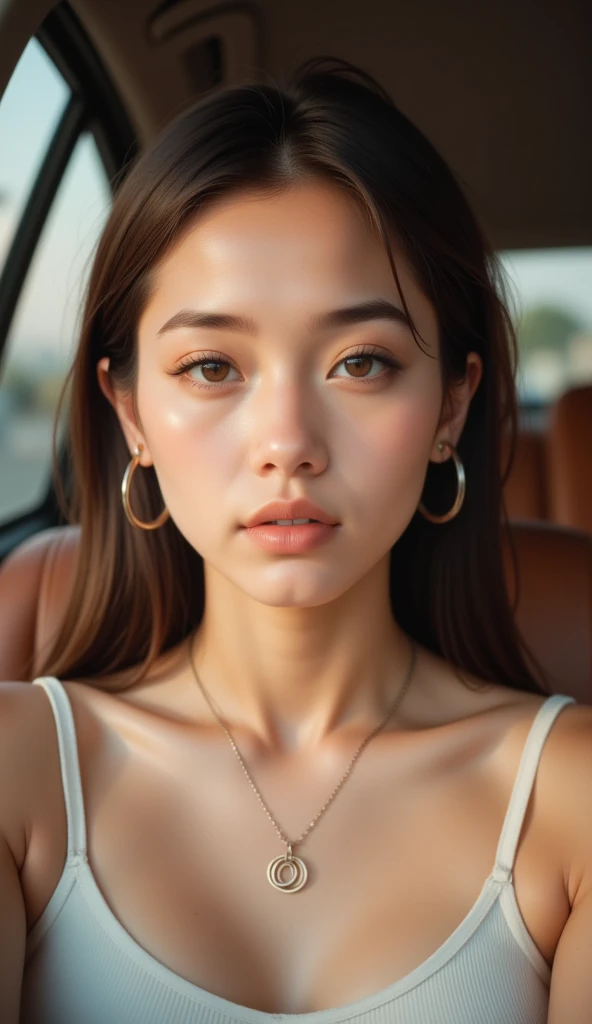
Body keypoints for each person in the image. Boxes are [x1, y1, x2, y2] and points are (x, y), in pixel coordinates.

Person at [1, 56, 590, 1024]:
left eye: (360, 362)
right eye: (210, 366)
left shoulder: (569, 797)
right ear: (130, 410)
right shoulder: (19, 770)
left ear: (451, 405)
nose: (288, 444)